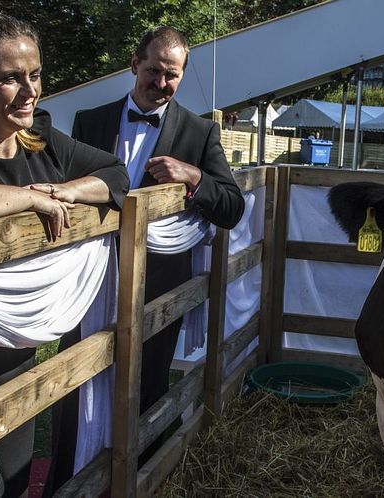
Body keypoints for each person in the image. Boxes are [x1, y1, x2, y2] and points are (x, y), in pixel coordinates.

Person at [0, 12, 129, 497]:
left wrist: (64, 189)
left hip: (18, 351)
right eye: (11, 78)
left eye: (34, 75)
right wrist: (33, 199)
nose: (30, 90)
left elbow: (116, 175)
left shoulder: (43, 140)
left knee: (13, 478)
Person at [45, 25, 245, 491]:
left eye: (171, 75)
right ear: (134, 64)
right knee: (75, 385)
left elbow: (232, 207)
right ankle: (68, 481)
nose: (160, 83)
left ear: (182, 76)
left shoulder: (200, 132)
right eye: (153, 70)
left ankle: (144, 478)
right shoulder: (89, 122)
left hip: (158, 286)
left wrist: (194, 176)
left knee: (146, 384)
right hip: (87, 280)